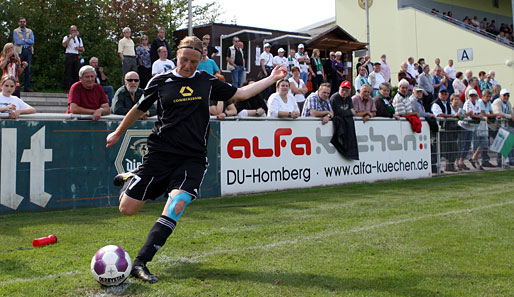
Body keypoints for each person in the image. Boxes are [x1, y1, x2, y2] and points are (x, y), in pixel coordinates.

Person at [106, 36, 287, 283]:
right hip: (160, 154)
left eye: (193, 61)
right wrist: (118, 132)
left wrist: (272, 78)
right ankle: (134, 176)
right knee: (127, 209)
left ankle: (140, 262)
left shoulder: (207, 81)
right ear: (176, 56)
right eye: (183, 60)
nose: (188, 66)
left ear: (201, 59)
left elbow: (242, 93)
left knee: (177, 203)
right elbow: (138, 109)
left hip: (192, 158)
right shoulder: (161, 81)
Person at [463, 89, 485, 170]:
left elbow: (477, 113)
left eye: (474, 95)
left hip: (475, 126)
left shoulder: (478, 103)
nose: (472, 97)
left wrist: (478, 116)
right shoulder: (467, 103)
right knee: (467, 145)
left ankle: (474, 159)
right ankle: (473, 161)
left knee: (481, 143)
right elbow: (471, 114)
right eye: (471, 96)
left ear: (476, 96)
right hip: (467, 126)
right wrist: (479, 117)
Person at [13, 17, 34, 92]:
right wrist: (26, 41)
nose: (22, 23)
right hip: (19, 51)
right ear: (19, 23)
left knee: (27, 70)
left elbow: (32, 41)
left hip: (28, 51)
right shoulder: (16, 31)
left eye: (24, 21)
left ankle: (27, 88)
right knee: (17, 68)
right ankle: (15, 87)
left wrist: (24, 40)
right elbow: (17, 42)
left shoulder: (30, 31)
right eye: (21, 21)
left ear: (26, 23)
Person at [62, 25, 85, 90]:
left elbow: (83, 49)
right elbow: (64, 45)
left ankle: (76, 88)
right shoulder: (66, 37)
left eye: (74, 30)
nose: (73, 32)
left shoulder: (79, 39)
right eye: (72, 30)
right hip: (69, 55)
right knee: (68, 72)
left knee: (76, 72)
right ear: (70, 31)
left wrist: (78, 48)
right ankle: (66, 88)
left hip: (76, 55)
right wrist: (70, 37)